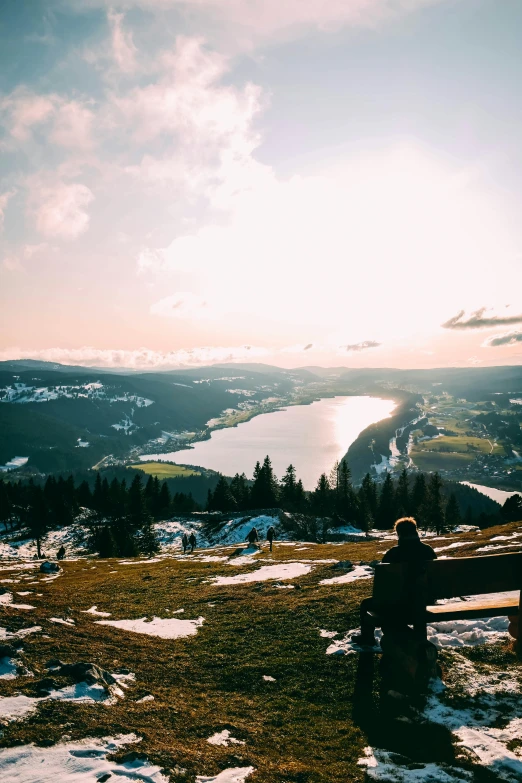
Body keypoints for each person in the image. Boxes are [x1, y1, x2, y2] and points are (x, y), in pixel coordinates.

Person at [352, 517, 436, 647]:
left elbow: (384, 584)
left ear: (399, 534)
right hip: (425, 600)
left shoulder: (393, 554)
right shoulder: (428, 550)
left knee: (365, 604)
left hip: (398, 603)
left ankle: (367, 638)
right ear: (415, 531)